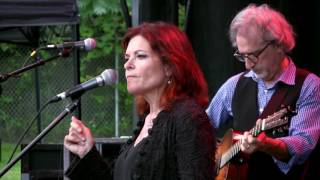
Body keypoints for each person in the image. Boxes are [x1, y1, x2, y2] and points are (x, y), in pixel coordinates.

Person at [64, 22, 216, 180]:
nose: (127, 65)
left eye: (140, 56)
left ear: (169, 66)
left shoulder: (188, 118)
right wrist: (87, 152)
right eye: (127, 58)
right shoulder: (148, 120)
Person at [206, 3, 320, 180]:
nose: (247, 64)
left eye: (253, 55)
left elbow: (304, 144)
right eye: (242, 55)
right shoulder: (234, 84)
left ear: (279, 45)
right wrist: (214, 156)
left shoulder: (309, 85)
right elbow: (201, 127)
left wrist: (267, 144)